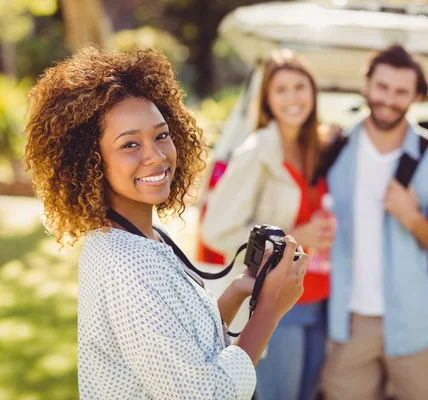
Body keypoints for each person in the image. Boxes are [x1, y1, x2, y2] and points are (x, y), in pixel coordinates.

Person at [23, 46, 308, 400]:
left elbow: (184, 351)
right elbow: (207, 394)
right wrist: (269, 310)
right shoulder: (125, 267)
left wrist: (240, 288)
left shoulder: (144, 236)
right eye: (129, 144)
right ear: (89, 161)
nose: (156, 156)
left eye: (161, 135)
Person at [321, 44, 428, 400]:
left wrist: (412, 218)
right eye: (382, 87)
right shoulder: (335, 148)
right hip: (349, 322)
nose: (389, 99)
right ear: (367, 85)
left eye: (401, 91)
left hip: (417, 323)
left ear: (417, 95)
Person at [202, 49, 336, 400]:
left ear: (313, 92)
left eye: (300, 87)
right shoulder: (256, 151)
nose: (293, 97)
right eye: (281, 90)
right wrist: (294, 234)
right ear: (267, 100)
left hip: (320, 298)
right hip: (277, 301)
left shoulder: (317, 147)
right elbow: (215, 230)